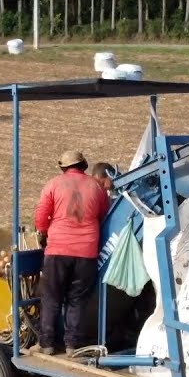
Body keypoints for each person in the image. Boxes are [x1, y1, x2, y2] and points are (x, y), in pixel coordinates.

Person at [34, 150, 110, 356]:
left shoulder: (53, 184)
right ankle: (71, 346)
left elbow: (41, 216)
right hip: (86, 252)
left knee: (51, 297)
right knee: (77, 300)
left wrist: (43, 232)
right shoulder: (96, 186)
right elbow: (104, 214)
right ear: (84, 165)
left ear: (63, 167)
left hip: (58, 249)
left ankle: (47, 344)